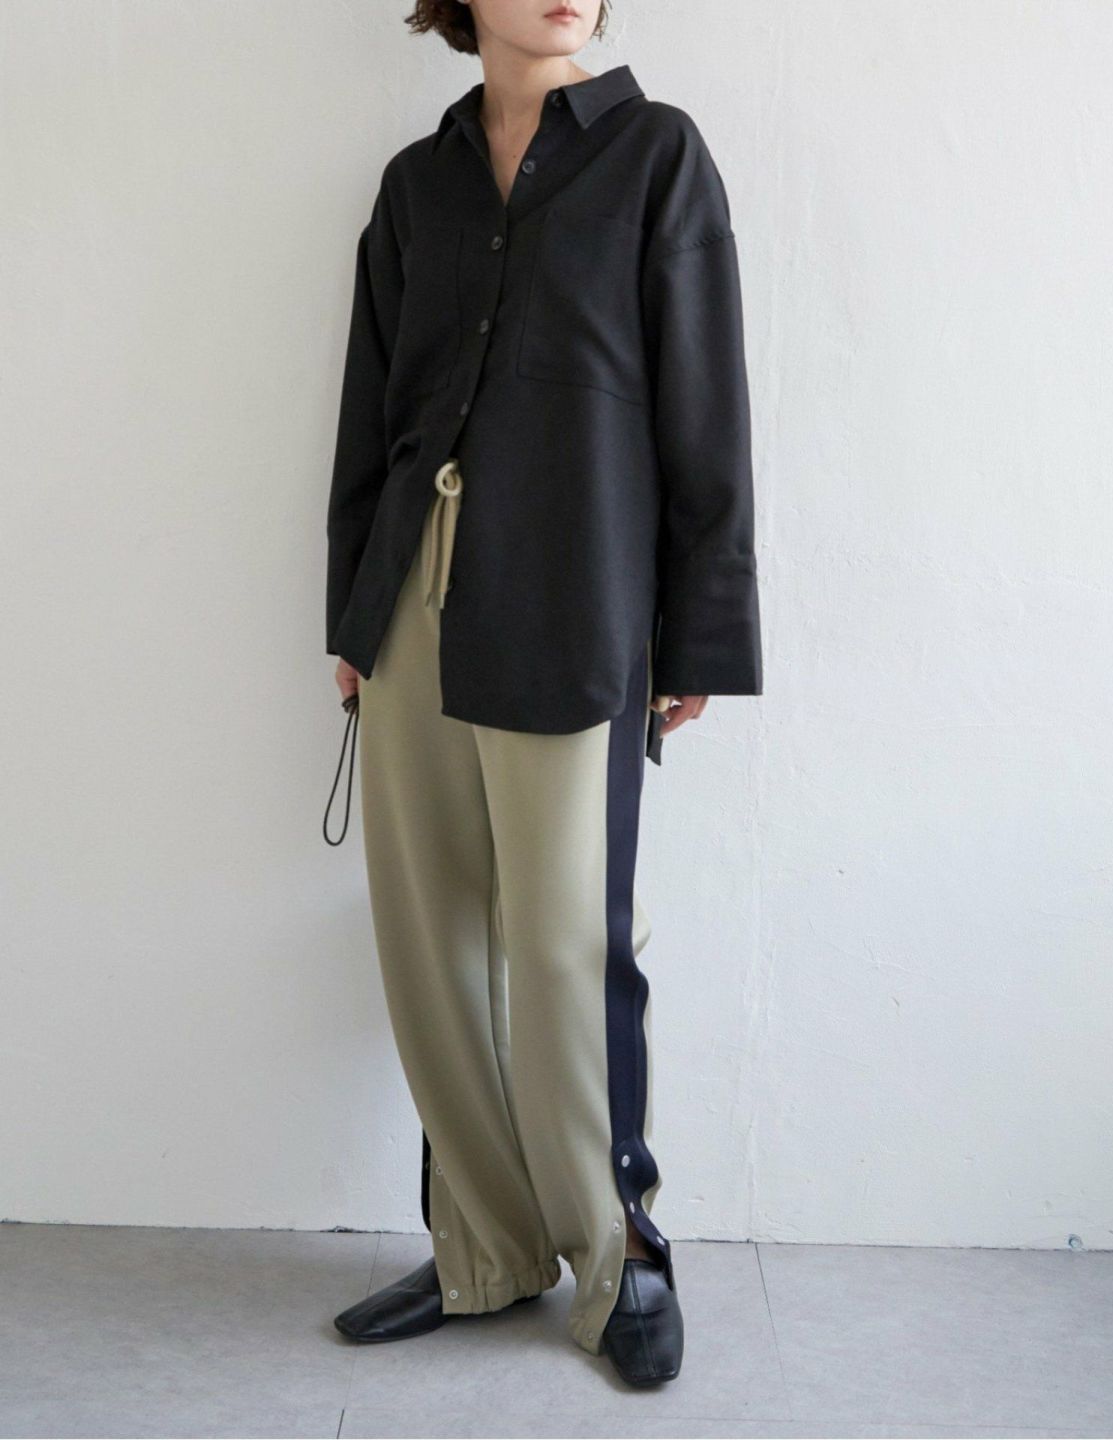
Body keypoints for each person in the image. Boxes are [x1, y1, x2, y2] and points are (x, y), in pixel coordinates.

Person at [323, 0, 762, 1387]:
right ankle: (484, 1252)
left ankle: (619, 1254)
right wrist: (352, 617)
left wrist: (698, 635)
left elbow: (705, 408)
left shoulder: (657, 157)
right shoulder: (418, 186)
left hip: (576, 597)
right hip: (414, 599)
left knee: (571, 944)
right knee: (431, 945)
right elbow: (370, 410)